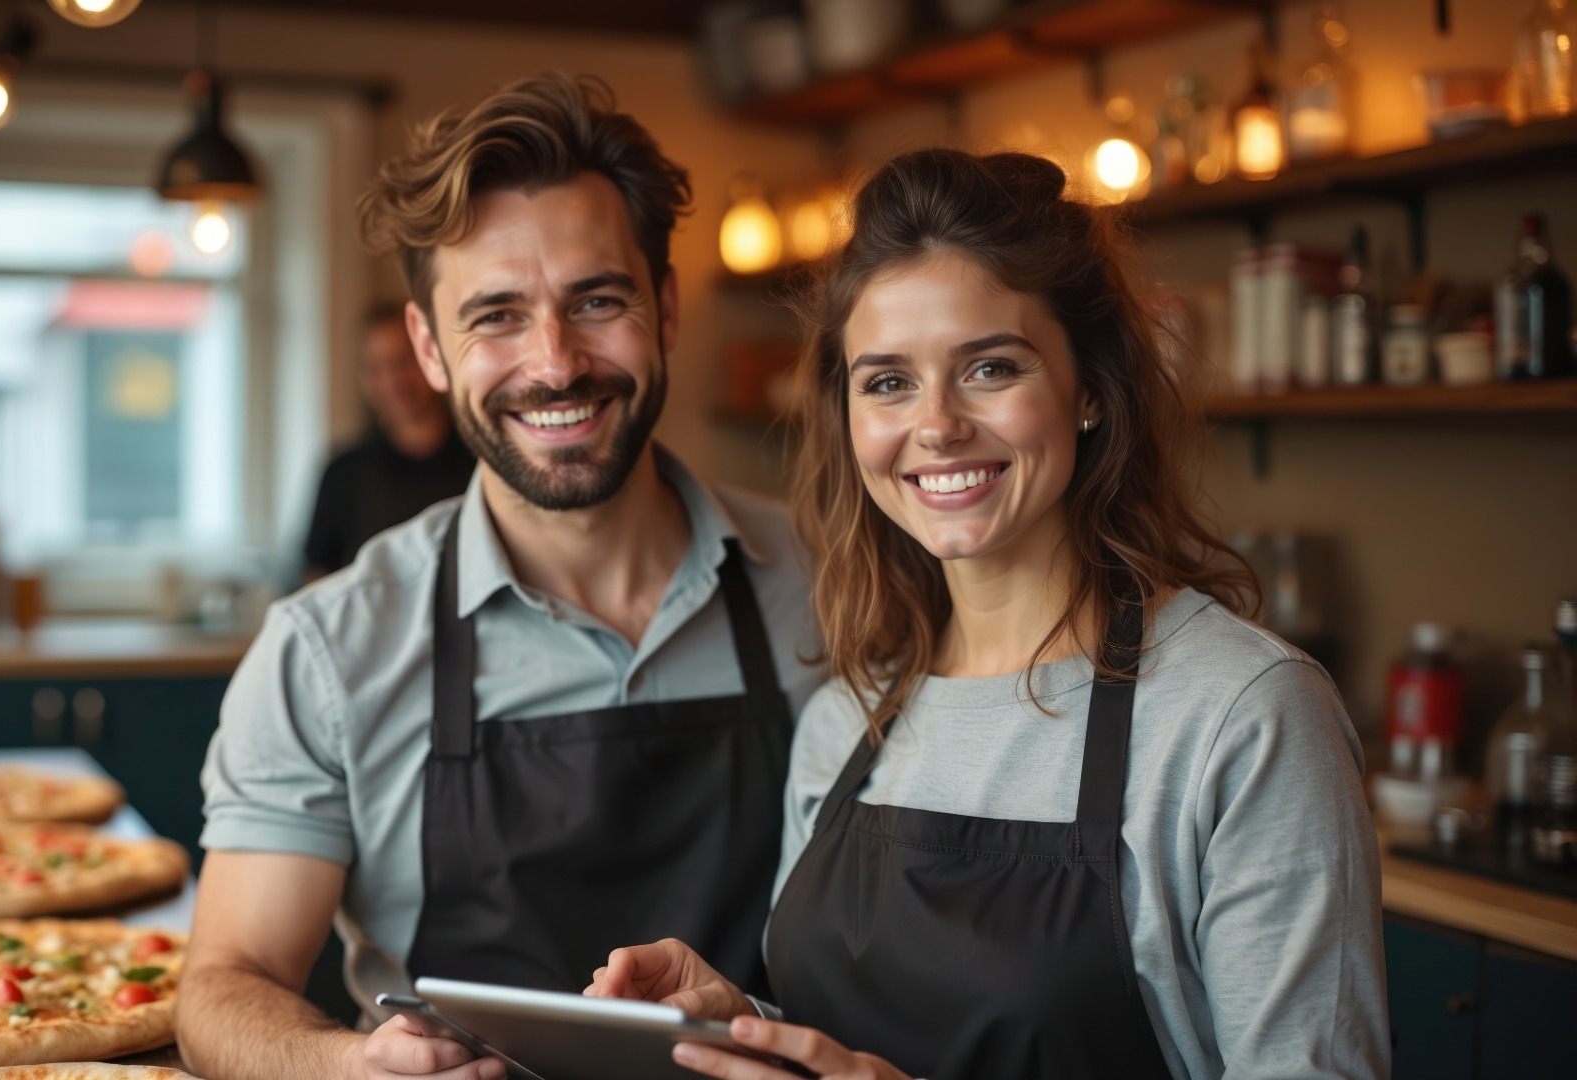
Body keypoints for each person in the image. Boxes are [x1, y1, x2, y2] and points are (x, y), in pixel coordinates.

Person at [588, 148, 1390, 1080]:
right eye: (887, 381)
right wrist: (749, 1024)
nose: (936, 426)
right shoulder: (848, 721)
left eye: (990, 368)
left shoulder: (1240, 715)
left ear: (1091, 387)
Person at [179, 73, 823, 1080]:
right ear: (431, 350)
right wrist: (348, 1067)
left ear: (666, 307)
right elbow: (226, 982)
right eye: (497, 317)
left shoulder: (841, 586)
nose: (556, 362)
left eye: (597, 301)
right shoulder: (328, 649)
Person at [300, 304, 475, 583]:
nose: (393, 381)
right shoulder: (343, 472)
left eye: (403, 362)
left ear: (431, 358)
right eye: (375, 368)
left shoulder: (481, 460)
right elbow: (316, 577)